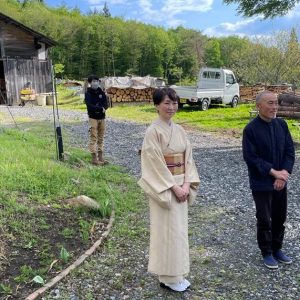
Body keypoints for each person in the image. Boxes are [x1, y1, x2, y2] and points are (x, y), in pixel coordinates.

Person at [138, 87, 200, 292]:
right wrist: (173, 187)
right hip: (165, 186)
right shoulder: (153, 131)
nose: (171, 107)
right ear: (156, 105)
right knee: (166, 231)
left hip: (181, 183)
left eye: (174, 103)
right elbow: (153, 163)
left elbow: (188, 159)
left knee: (179, 231)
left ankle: (176, 273)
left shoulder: (180, 130)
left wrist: (186, 184)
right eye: (166, 103)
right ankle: (168, 276)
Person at [242, 91, 295, 269]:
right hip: (262, 182)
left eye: (276, 103)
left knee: (280, 216)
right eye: (270, 103)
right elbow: (251, 158)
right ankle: (266, 252)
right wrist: (274, 173)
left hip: (281, 181)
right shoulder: (251, 129)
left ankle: (277, 248)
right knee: (265, 218)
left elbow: (289, 151)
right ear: (259, 106)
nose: (274, 107)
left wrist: (284, 173)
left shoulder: (282, 125)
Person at [85, 75, 109, 165]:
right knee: (93, 137)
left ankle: (101, 157)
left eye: (96, 81)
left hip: (102, 118)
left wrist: (104, 108)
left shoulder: (101, 92)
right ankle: (94, 159)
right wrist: (100, 108)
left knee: (101, 138)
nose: (95, 83)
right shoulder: (88, 93)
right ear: (90, 83)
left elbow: (106, 104)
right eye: (93, 81)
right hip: (93, 118)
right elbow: (89, 106)